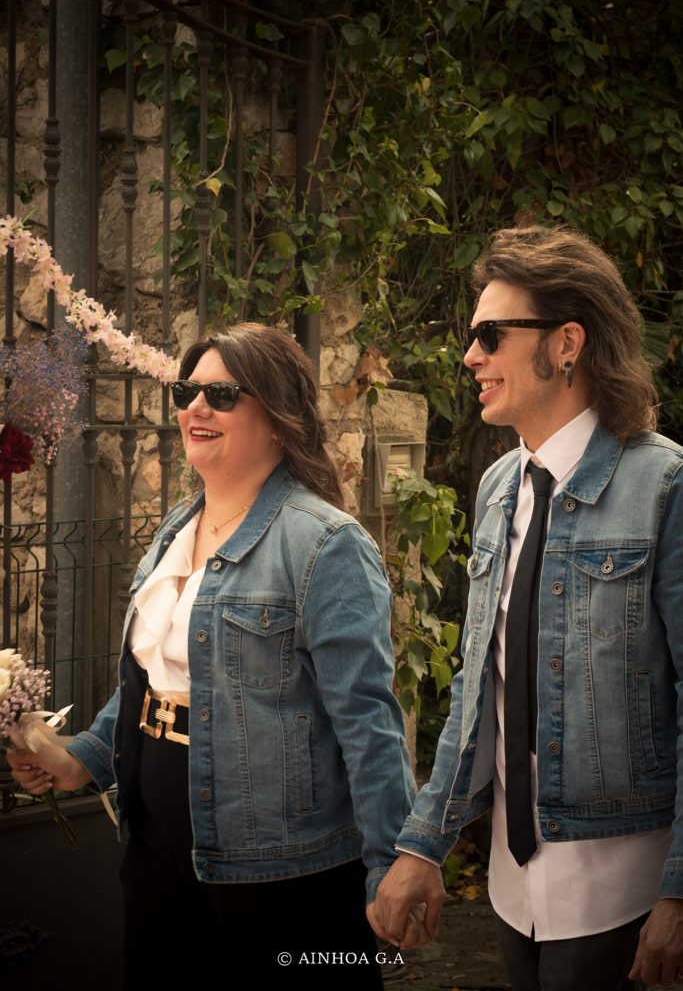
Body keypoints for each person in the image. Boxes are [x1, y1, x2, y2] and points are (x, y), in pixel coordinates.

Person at [9, 322, 416, 989]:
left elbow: (367, 721)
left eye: (222, 395)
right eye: (187, 391)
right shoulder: (177, 526)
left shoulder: (325, 544)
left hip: (278, 862)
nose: (196, 406)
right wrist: (80, 756)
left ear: (278, 416)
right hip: (155, 843)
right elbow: (154, 681)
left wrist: (393, 862)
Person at [368, 226, 683, 991]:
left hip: (621, 884)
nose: (468, 356)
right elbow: (480, 689)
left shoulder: (663, 487)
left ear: (565, 343)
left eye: (489, 335)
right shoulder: (497, 488)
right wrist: (422, 844)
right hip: (511, 887)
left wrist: (678, 890)